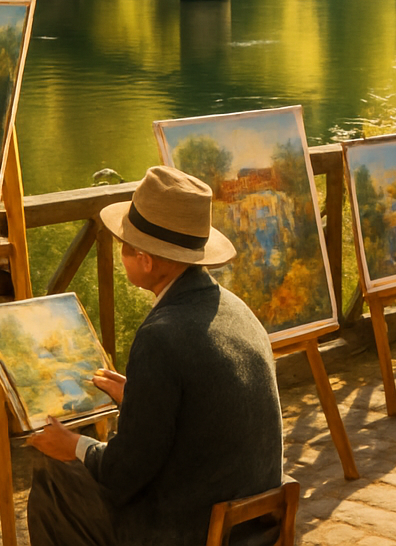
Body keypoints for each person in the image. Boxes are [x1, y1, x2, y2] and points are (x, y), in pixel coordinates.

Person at [27, 166, 284, 546]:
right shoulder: (235, 309)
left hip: (194, 529)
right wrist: (139, 398)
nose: (121, 255)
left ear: (146, 260)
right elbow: (200, 409)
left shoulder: (160, 336)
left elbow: (123, 475)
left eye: (124, 247)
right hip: (256, 521)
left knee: (54, 479)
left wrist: (74, 446)